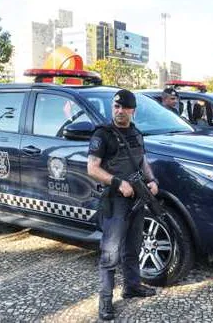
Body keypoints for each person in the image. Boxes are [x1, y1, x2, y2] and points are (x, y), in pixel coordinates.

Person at [87, 89, 158, 320]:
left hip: (137, 198)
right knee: (110, 253)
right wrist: (118, 182)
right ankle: (105, 302)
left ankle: (132, 286)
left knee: (133, 247)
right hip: (116, 201)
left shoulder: (136, 133)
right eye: (116, 107)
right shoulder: (103, 134)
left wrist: (152, 180)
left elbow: (143, 161)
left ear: (132, 111)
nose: (119, 111)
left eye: (124, 108)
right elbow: (93, 168)